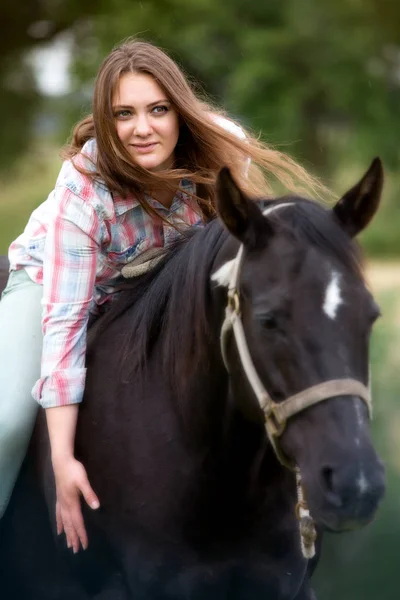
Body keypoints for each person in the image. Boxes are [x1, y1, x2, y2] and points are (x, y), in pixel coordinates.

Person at [0, 38, 321, 554]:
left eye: (157, 109)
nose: (142, 128)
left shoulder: (221, 152)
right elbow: (66, 321)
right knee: (4, 422)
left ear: (179, 110)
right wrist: (62, 459)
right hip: (50, 283)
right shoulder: (82, 192)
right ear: (106, 123)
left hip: (158, 286)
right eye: (123, 114)